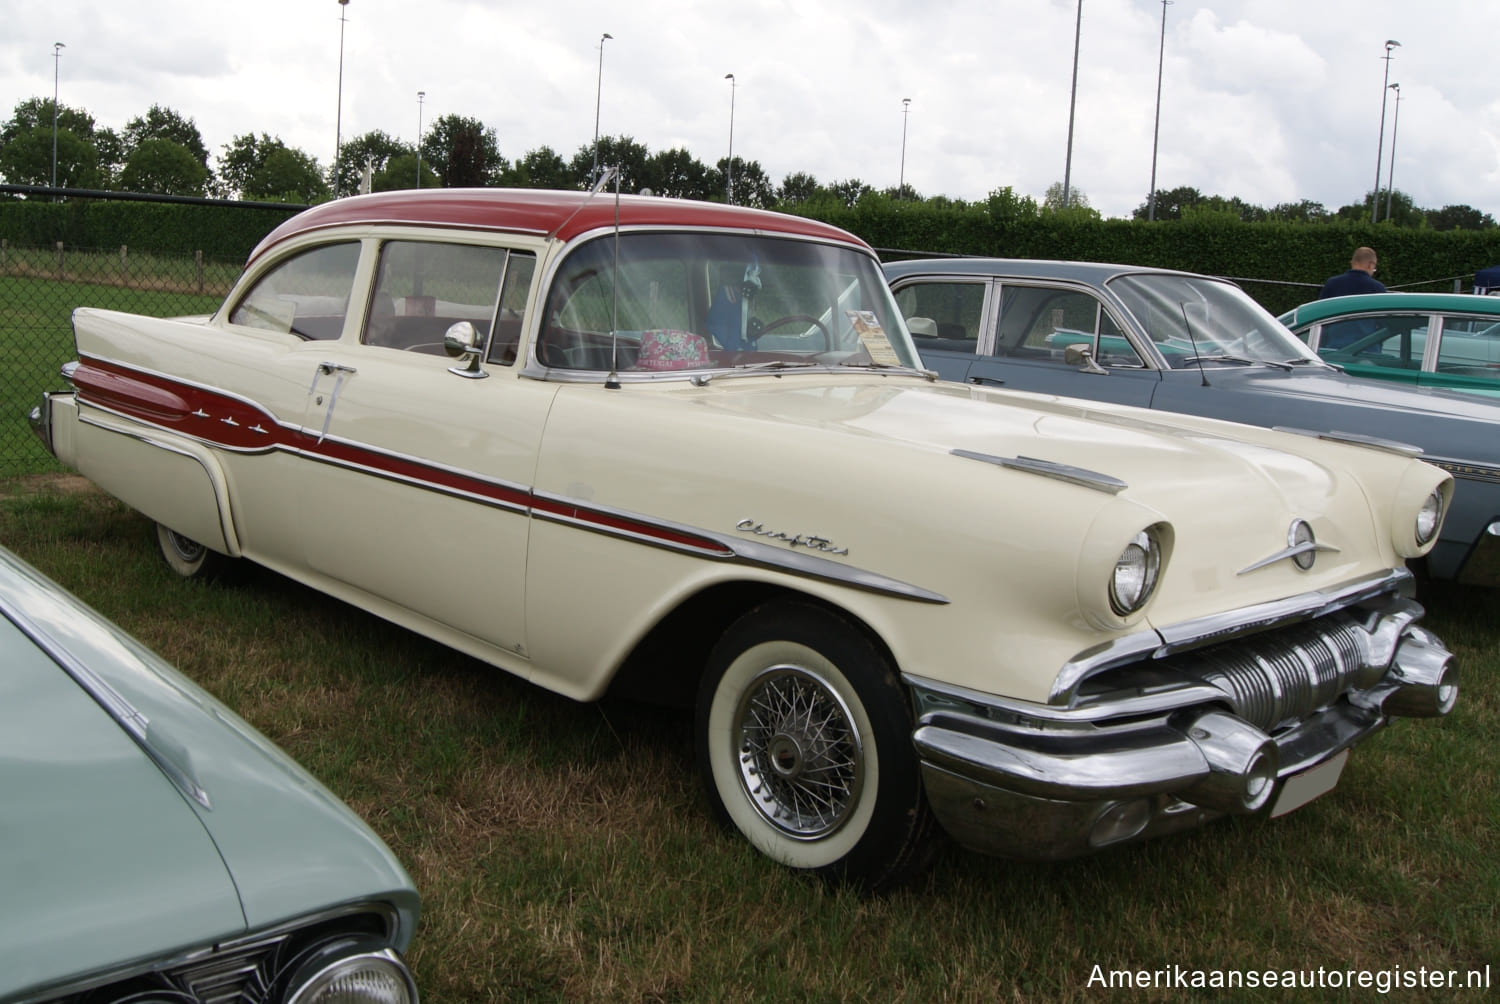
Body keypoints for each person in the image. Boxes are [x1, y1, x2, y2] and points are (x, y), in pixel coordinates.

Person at [1318, 247, 1386, 299]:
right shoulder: (1377, 288)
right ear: (1370, 265)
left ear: (1352, 262)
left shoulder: (1332, 283)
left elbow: (1320, 310)